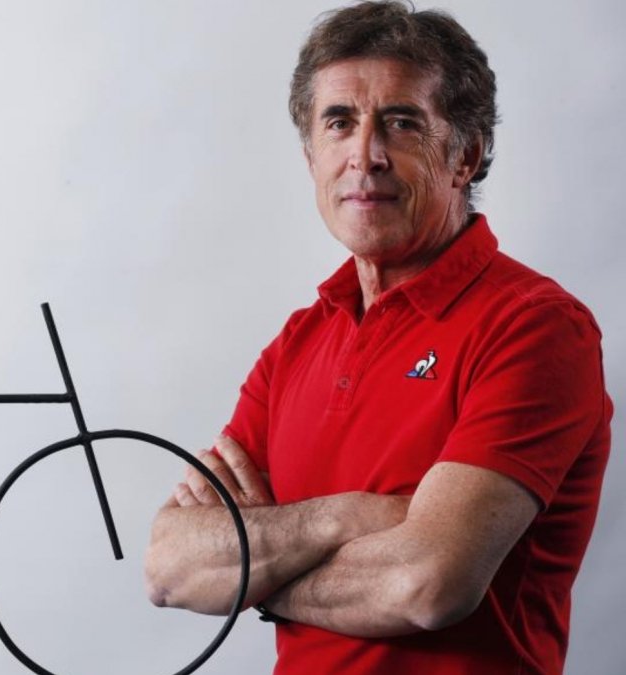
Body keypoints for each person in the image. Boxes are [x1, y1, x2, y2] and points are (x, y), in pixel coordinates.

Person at [143, 2, 612, 674]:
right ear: (311, 157)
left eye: (401, 122)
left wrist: (253, 574)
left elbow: (427, 584)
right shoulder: (298, 343)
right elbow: (169, 566)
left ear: (466, 155)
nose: (365, 154)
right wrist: (349, 517)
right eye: (339, 123)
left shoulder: (535, 327)